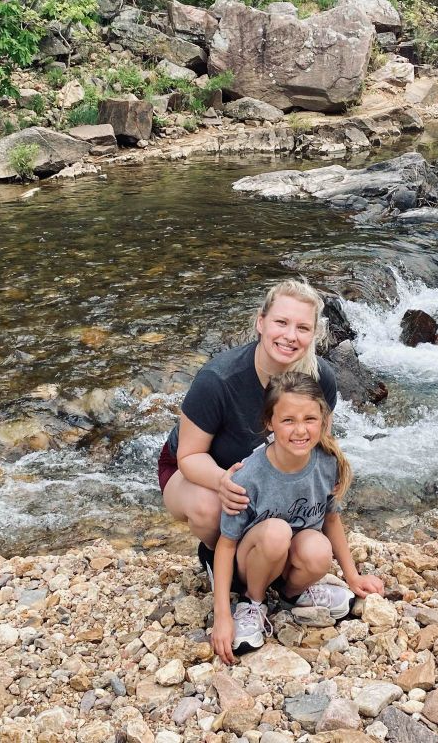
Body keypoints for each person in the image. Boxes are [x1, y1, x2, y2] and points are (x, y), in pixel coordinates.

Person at [159, 279, 339, 600]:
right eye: (281, 322)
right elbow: (188, 456)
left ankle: (278, 581)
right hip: (198, 469)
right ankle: (221, 563)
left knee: (310, 547)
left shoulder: (320, 378)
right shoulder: (218, 380)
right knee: (211, 508)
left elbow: (318, 451)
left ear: (314, 334)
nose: (289, 336)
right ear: (260, 322)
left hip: (267, 476)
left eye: (302, 327)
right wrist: (223, 481)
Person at [210, 372, 384, 661]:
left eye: (309, 419)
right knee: (277, 532)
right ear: (270, 422)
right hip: (251, 563)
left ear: (323, 421)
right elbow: (226, 546)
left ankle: (293, 594)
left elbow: (330, 520)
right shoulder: (249, 476)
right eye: (288, 420)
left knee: (319, 550)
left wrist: (353, 577)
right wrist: (222, 617)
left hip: (288, 561)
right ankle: (252, 602)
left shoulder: (327, 463)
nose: (300, 430)